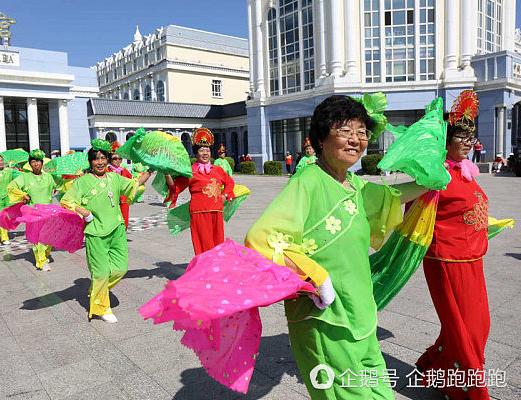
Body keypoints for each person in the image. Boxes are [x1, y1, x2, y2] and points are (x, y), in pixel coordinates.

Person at [244, 95, 428, 399]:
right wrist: (316, 276)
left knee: (380, 392)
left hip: (360, 313)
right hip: (325, 317)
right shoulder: (308, 181)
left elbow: (391, 197)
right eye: (345, 130)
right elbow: (263, 238)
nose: (355, 140)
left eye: (361, 132)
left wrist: (432, 181)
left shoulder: (354, 185)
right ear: (320, 138)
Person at [416, 90, 491, 400]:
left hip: (473, 258)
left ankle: (436, 367)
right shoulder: (436, 175)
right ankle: (468, 390)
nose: (467, 142)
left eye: (470, 137)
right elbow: (416, 216)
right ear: (445, 141)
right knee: (465, 330)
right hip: (447, 260)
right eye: (461, 137)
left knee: (477, 326)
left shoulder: (467, 172)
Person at [61, 139, 153, 323]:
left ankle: (97, 290)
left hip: (117, 229)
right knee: (101, 272)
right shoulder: (83, 181)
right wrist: (84, 212)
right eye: (96, 159)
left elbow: (133, 184)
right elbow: (66, 201)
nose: (100, 162)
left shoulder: (114, 177)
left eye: (104, 158)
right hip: (96, 233)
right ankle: (101, 308)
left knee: (120, 269)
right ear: (91, 162)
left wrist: (150, 170)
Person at [165, 128, 235, 255]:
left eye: (207, 150)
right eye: (201, 150)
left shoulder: (218, 169)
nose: (205, 153)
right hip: (199, 212)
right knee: (204, 244)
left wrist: (226, 195)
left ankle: (217, 268)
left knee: (218, 243)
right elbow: (175, 188)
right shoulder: (190, 171)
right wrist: (167, 174)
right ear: (196, 153)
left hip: (216, 210)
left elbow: (230, 182)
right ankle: (204, 269)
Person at [7, 149, 60, 271]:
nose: (36, 164)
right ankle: (41, 261)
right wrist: (23, 195)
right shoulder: (25, 177)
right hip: (34, 213)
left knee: (49, 237)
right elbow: (11, 187)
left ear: (42, 163)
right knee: (38, 238)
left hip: (49, 211)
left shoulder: (49, 177)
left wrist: (75, 178)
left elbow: (60, 185)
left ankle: (45, 256)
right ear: (30, 164)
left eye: (38, 162)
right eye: (33, 162)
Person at [107, 147, 134, 229]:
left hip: (123, 200)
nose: (118, 160)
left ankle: (122, 236)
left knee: (124, 220)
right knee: (111, 220)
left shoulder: (124, 170)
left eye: (120, 159)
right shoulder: (107, 171)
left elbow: (132, 181)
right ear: (110, 160)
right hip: (111, 200)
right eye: (115, 158)